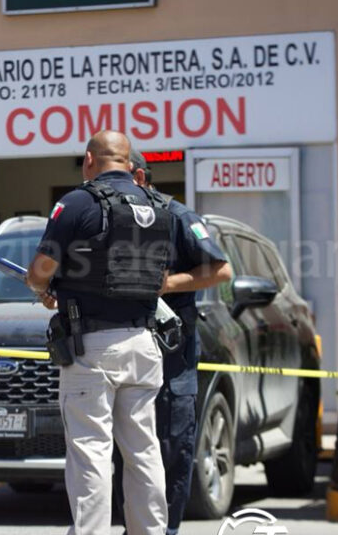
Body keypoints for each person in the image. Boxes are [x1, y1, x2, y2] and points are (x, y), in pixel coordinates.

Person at [26, 130, 172, 535]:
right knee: (144, 451)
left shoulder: (77, 203)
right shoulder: (160, 207)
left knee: (91, 452)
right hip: (144, 343)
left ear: (89, 159)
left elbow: (41, 270)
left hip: (92, 348)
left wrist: (42, 289)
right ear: (128, 162)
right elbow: (159, 280)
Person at [124, 149, 231, 535]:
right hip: (123, 349)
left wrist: (168, 284)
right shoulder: (112, 219)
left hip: (172, 352)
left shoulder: (177, 216)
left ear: (138, 177)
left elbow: (221, 270)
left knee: (172, 441)